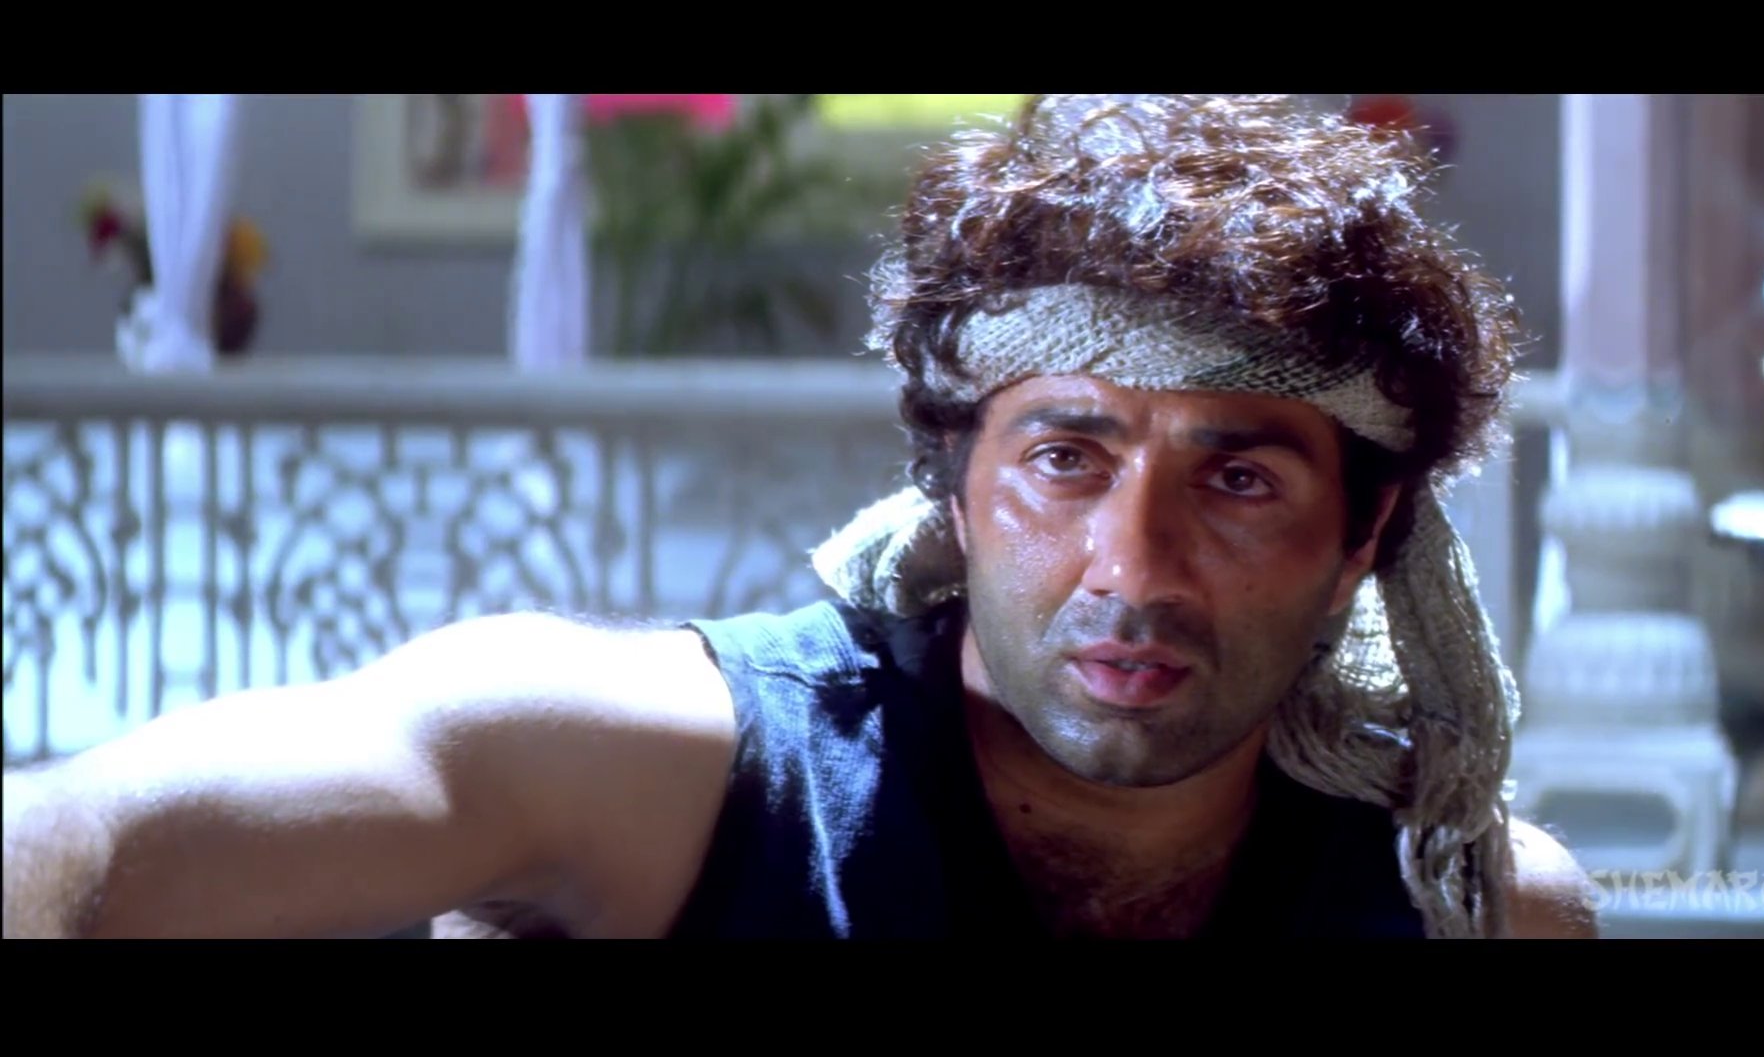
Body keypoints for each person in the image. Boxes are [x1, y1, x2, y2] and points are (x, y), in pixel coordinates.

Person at [3, 94, 1598, 940]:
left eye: (1238, 481)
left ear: (1366, 534)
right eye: (1066, 458)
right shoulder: (665, 778)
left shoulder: (1478, 909)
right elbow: (89, 847)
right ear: (956, 486)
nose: (1135, 565)